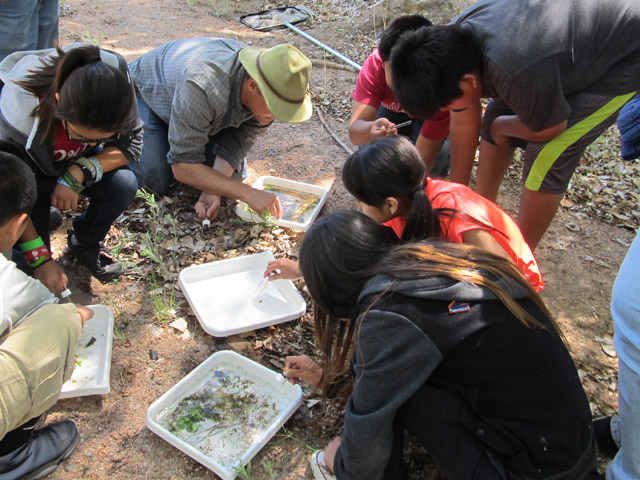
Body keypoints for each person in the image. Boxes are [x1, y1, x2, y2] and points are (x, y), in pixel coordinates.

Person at [286, 210, 599, 479]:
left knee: (397, 394)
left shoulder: (389, 313)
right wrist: (330, 378)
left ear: (335, 295)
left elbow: (371, 418)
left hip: (534, 471)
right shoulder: (429, 262)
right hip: (572, 450)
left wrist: (343, 463)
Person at [389, 0, 640, 250]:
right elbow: (465, 118)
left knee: (546, 154)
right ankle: (480, 216)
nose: (448, 111)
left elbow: (552, 127)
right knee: (495, 118)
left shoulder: (515, 68)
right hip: (554, 55)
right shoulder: (449, 46)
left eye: (445, 106)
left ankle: (516, 258)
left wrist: (502, 128)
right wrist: (458, 199)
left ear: (467, 82)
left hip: (625, 58)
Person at [265, 135, 543, 292]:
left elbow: (509, 279)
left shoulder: (458, 217)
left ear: (390, 205)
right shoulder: (407, 199)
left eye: (362, 202)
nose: (358, 209)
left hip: (511, 290)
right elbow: (365, 257)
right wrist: (304, 270)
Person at [0, 43, 143, 291]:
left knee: (124, 184)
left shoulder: (115, 85)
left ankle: (83, 244)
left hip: (66, 167)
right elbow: (13, 196)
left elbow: (132, 146)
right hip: (26, 176)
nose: (91, 144)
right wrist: (40, 258)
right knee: (29, 275)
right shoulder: (19, 118)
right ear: (57, 102)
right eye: (80, 136)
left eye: (100, 138)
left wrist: (76, 174)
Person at [128, 38, 312, 221]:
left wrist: (212, 189)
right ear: (252, 86)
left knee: (231, 178)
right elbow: (182, 167)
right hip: (150, 98)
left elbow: (238, 142)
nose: (277, 117)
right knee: (153, 181)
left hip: (198, 113)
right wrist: (246, 193)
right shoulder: (202, 84)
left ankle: (177, 142)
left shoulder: (270, 85)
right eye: (276, 108)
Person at [0, 141, 92, 479]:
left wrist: (39, 257)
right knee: (59, 320)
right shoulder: (8, 285)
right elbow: (55, 312)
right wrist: (76, 317)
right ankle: (10, 455)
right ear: (18, 224)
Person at [348, 15, 450, 177]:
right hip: (391, 113)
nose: (405, 88)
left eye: (412, 78)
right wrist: (371, 129)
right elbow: (355, 134)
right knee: (372, 153)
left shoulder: (440, 82)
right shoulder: (374, 68)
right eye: (397, 77)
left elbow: (423, 167)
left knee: (437, 161)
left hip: (430, 111)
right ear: (383, 64)